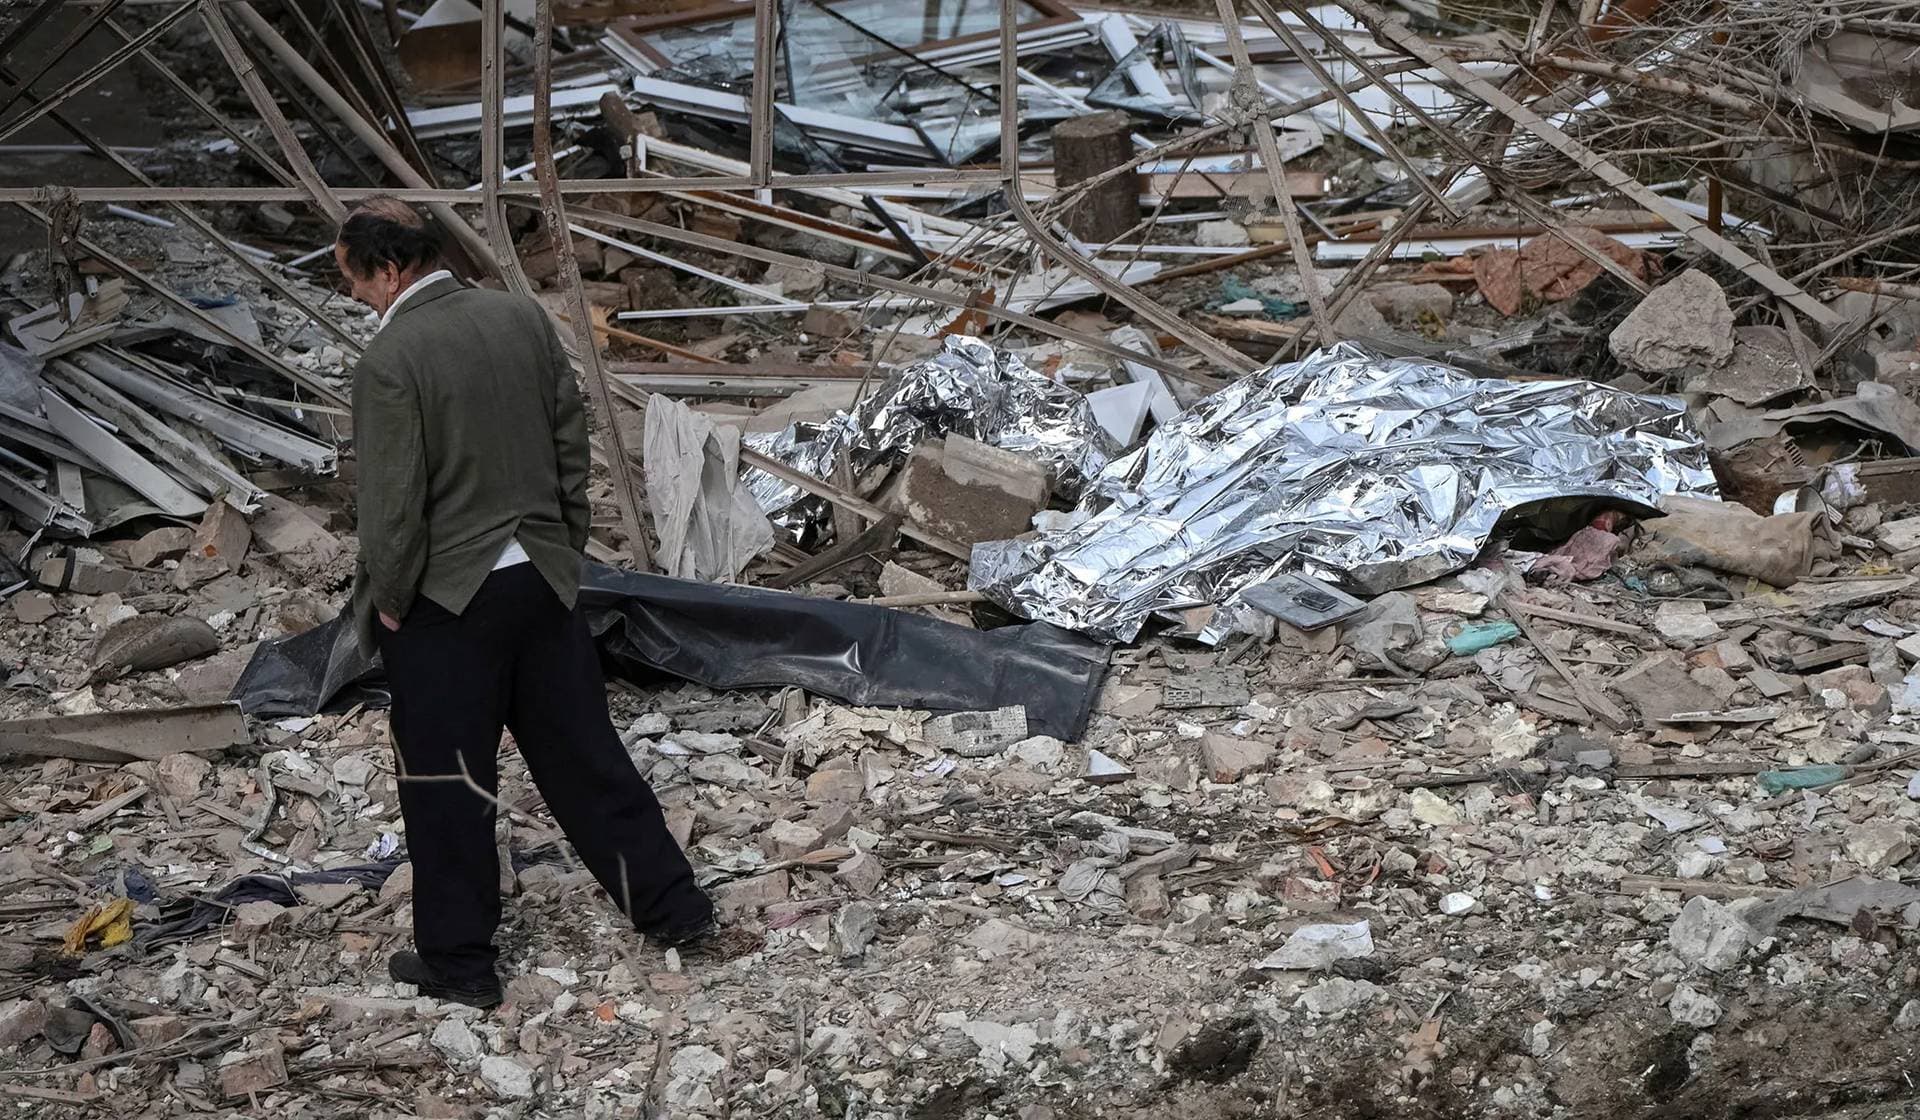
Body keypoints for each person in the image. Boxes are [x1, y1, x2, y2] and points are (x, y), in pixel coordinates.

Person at [336, 196, 713, 1009]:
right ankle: (675, 911)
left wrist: (392, 598)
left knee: (447, 783)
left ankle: (461, 965)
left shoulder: (392, 360)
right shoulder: (520, 319)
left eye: (357, 282)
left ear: (391, 269)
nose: (358, 298)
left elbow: (392, 505)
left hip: (448, 597)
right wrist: (563, 548)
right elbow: (568, 442)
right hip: (539, 578)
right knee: (585, 757)